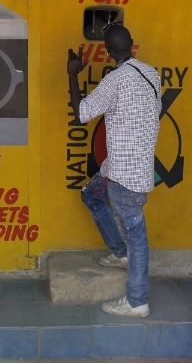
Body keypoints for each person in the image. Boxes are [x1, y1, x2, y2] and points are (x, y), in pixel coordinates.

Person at [66, 24, 161, 317]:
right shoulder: (151, 74)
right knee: (91, 195)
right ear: (132, 44)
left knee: (137, 238)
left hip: (123, 177)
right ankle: (120, 254)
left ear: (107, 52)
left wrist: (72, 74)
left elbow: (81, 113)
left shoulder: (115, 80)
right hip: (130, 167)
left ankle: (137, 301)